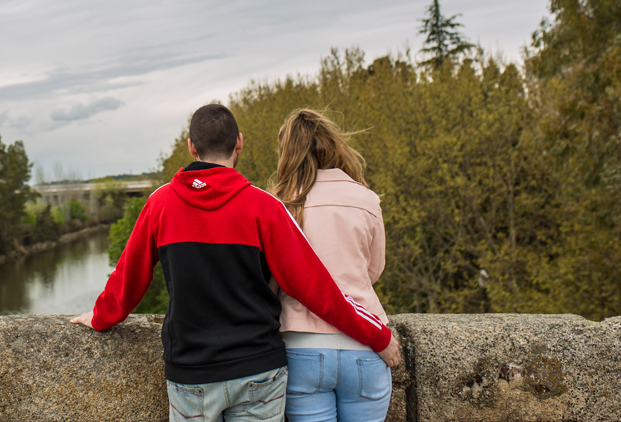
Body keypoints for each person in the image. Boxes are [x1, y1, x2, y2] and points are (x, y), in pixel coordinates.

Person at [71, 104, 400, 422]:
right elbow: (315, 289)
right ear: (239, 142)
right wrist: (377, 336)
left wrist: (101, 318)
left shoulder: (159, 204)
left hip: (191, 370)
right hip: (258, 368)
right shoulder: (265, 207)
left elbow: (129, 279)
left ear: (191, 147)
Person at [271, 109, 392, 422]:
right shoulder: (366, 199)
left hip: (302, 348)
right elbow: (373, 270)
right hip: (365, 346)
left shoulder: (280, 204)